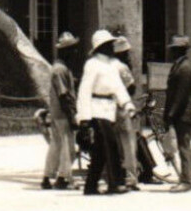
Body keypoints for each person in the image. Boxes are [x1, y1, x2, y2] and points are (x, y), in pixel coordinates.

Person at [76, 29, 131, 195]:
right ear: (101, 47)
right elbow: (84, 91)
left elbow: (118, 87)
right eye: (108, 44)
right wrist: (84, 118)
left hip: (109, 109)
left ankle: (90, 186)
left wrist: (127, 104)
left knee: (100, 151)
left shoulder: (112, 65)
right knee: (111, 145)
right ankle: (115, 183)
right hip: (96, 109)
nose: (112, 47)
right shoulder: (92, 65)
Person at [41, 32, 79, 189]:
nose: (75, 52)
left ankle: (47, 176)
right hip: (63, 113)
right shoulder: (60, 70)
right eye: (72, 49)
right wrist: (72, 116)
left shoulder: (61, 68)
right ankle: (63, 178)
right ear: (65, 51)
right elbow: (64, 95)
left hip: (56, 112)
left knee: (56, 146)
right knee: (67, 147)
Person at [163, 35, 191, 192]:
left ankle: (187, 180)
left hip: (183, 114)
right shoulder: (179, 66)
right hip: (179, 113)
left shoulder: (185, 68)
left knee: (184, 146)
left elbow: (181, 95)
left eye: (173, 50)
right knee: (183, 145)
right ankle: (184, 178)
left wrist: (171, 114)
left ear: (178, 51)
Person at [110, 36, 141, 190]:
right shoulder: (122, 67)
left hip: (108, 109)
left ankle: (117, 175)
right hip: (122, 108)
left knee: (115, 144)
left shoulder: (108, 65)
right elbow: (131, 88)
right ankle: (131, 177)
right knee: (128, 144)